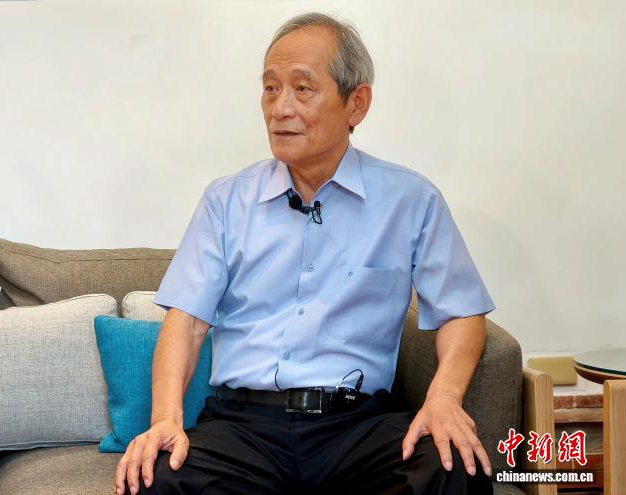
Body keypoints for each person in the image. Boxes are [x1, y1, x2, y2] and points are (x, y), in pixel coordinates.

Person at [116, 12, 496, 495]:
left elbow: (462, 312)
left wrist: (443, 397)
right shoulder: (226, 201)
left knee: (456, 470)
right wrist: (165, 419)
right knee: (152, 482)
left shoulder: (411, 200)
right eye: (270, 89)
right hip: (244, 427)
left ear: (356, 103)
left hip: (358, 426)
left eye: (302, 88)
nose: (280, 108)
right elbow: (187, 322)